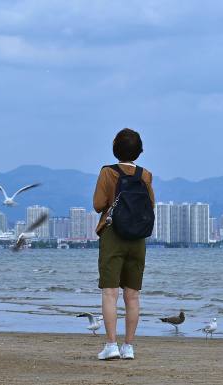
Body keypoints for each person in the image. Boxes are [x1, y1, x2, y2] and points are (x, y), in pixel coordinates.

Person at [93, 128, 155, 360]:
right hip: (138, 238)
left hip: (113, 235)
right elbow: (151, 205)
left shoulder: (108, 173)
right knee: (133, 295)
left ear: (114, 149)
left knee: (110, 293)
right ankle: (128, 347)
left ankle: (111, 345)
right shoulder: (146, 175)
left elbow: (99, 204)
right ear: (139, 151)